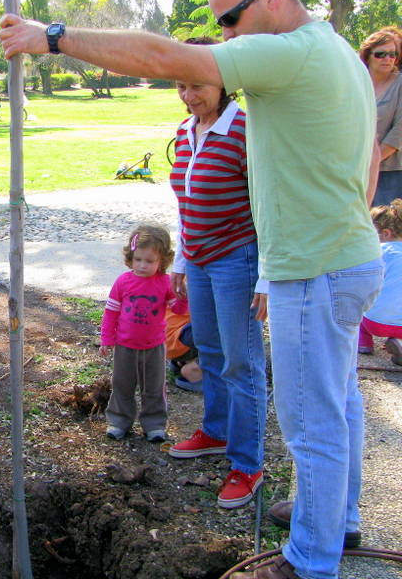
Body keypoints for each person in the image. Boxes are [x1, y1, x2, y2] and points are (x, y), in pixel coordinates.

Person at [0, 0, 383, 576]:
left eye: (231, 18)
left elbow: (164, 56)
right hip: (344, 257)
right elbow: (369, 160)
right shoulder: (337, 54)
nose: (227, 35)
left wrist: (51, 37)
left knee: (312, 420)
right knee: (341, 405)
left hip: (315, 269)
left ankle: (311, 560)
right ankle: (336, 518)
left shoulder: (290, 51)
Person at [166, 36, 268, 510]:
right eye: (182, 86)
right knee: (208, 348)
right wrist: (184, 261)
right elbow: (187, 206)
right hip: (202, 262)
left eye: (199, 85)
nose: (190, 95)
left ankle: (248, 464)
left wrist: (267, 274)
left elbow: (271, 206)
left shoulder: (246, 129)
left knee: (241, 361)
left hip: (238, 258)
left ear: (224, 80)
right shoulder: (187, 131)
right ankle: (217, 430)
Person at [99, 225, 188, 444]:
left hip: (155, 346)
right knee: (122, 385)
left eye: (149, 261)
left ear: (162, 261)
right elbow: (111, 312)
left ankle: (154, 424)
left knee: (154, 388)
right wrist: (107, 340)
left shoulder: (164, 283)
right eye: (138, 259)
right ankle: (119, 421)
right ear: (131, 257)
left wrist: (183, 295)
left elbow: (177, 309)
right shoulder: (123, 282)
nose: (142, 265)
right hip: (125, 345)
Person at [360, 31, 402, 206]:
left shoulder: (399, 83)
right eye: (380, 54)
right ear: (367, 56)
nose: (388, 59)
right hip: (354, 168)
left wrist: (373, 159)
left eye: (393, 54)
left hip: (389, 172)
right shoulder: (357, 81)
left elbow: (399, 131)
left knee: (385, 228)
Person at [358, 199, 402, 363]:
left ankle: (364, 344)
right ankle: (398, 341)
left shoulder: (380, 251)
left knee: (359, 304)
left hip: (376, 323)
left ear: (386, 234)